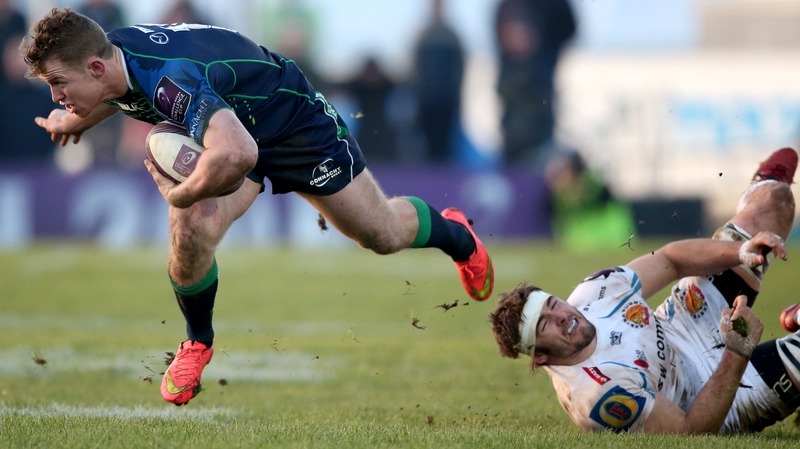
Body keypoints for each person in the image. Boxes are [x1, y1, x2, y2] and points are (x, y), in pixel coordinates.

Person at [22, 8, 494, 406]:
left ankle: (456, 235)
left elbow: (238, 153)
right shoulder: (111, 55)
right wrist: (79, 116)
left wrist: (181, 192)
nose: (54, 95)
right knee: (190, 232)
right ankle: (197, 342)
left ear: (95, 68)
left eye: (58, 84)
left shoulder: (169, 80)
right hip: (228, 121)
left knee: (383, 234)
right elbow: (122, 91)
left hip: (291, 124)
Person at [489, 147, 800, 434]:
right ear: (541, 356)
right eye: (545, 324)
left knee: (777, 201)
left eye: (552, 304)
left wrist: (741, 251)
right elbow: (689, 431)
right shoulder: (598, 395)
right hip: (715, 399)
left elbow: (670, 260)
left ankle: (757, 189)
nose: (561, 315)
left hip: (686, 321)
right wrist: (736, 352)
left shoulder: (594, 292)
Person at [494, 0, 575, 166]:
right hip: (512, 140)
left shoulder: (552, 7)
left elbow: (569, 27)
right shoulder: (509, 75)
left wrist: (544, 47)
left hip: (540, 133)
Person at [412, 0, 464, 163]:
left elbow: (459, 70)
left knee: (445, 148)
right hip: (427, 102)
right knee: (428, 147)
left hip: (446, 102)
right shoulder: (424, 35)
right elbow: (416, 70)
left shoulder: (451, 36)